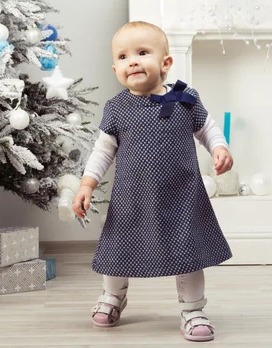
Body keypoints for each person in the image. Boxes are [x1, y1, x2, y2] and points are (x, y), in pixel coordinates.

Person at [72, 21, 234, 342]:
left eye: (142, 52)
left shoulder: (185, 98)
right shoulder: (117, 108)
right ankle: (114, 295)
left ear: (165, 63)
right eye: (123, 56)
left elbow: (208, 128)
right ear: (115, 67)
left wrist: (219, 147)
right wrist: (87, 185)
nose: (132, 60)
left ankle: (192, 309)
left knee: (187, 251)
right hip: (132, 197)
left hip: (182, 195)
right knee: (117, 249)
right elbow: (102, 151)